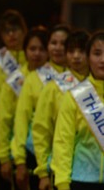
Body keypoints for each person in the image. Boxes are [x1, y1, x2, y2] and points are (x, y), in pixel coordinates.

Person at [12, 24, 70, 190]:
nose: (58, 48)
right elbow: (21, 120)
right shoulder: (33, 79)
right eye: (53, 43)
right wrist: (20, 160)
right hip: (38, 156)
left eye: (63, 43)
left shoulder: (81, 78)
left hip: (68, 158)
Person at [32, 30, 90, 190]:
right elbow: (41, 129)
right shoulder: (54, 87)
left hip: (90, 171)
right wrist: (43, 172)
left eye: (82, 51)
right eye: (71, 51)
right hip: (60, 168)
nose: (76, 56)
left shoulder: (97, 86)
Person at [0, 26, 49, 186]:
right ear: (25, 51)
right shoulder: (14, 81)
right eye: (32, 48)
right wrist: (5, 157)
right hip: (23, 153)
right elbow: (4, 120)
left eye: (42, 49)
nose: (37, 53)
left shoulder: (57, 78)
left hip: (50, 154)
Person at [52, 30, 104, 190]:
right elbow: (63, 142)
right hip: (83, 180)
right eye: (97, 53)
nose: (103, 60)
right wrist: (62, 183)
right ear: (88, 58)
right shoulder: (75, 96)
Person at [0, 9, 28, 190]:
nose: (11, 35)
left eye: (15, 29)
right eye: (6, 31)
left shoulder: (34, 58)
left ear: (24, 31)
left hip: (27, 137)